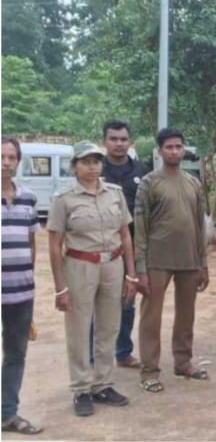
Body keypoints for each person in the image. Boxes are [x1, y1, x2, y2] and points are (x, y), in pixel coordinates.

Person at [47, 141, 137, 417]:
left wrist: (131, 274)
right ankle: (81, 389)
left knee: (109, 327)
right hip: (80, 266)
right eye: (85, 162)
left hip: (112, 265)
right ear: (74, 166)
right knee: (78, 328)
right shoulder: (64, 198)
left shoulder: (114, 194)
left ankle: (103, 384)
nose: (92, 167)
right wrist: (60, 288)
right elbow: (55, 245)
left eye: (96, 161)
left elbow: (125, 235)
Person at [135, 128, 210, 393]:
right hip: (157, 260)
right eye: (169, 147)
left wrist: (203, 263)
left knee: (186, 314)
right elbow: (140, 227)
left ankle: (183, 362)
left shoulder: (193, 183)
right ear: (159, 151)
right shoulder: (149, 183)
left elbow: (200, 225)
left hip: (189, 259)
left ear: (184, 149)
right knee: (151, 317)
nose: (175, 151)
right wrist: (140, 268)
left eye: (179, 146)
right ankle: (149, 371)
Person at [88, 120, 149, 369]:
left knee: (128, 300)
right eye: (113, 139)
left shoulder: (141, 170)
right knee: (96, 303)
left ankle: (123, 352)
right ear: (104, 142)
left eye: (123, 139)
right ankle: (92, 356)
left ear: (130, 142)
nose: (119, 144)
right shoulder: (94, 169)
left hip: (131, 247)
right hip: (99, 247)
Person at [1, 137, 43, 434]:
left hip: (21, 292)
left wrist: (29, 277)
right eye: (1, 156)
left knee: (16, 353)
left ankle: (8, 414)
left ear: (18, 161)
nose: (6, 162)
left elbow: (31, 243)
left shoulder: (28, 197)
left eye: (11, 157)